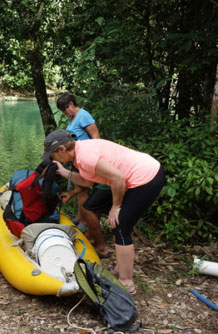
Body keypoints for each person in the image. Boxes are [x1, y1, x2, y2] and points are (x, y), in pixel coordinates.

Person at [42, 130, 165, 294]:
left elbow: (117, 178)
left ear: (62, 150)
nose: (53, 159)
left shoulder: (86, 156)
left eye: (53, 156)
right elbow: (87, 181)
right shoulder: (79, 156)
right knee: (119, 225)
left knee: (120, 226)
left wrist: (116, 207)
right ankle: (121, 269)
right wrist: (64, 172)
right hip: (136, 176)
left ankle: (126, 282)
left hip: (146, 177)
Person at [56, 92, 110, 255]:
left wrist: (92, 158)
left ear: (71, 104)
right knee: (81, 190)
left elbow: (96, 138)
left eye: (65, 109)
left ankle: (85, 222)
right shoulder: (72, 118)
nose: (65, 112)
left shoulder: (83, 115)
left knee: (83, 191)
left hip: (87, 158)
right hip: (77, 159)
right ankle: (81, 219)